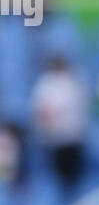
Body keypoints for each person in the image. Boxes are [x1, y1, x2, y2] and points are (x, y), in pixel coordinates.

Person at [30, 56, 89, 195]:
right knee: (56, 173)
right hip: (52, 139)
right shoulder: (45, 83)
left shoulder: (74, 82)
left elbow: (80, 109)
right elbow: (39, 109)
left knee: (73, 173)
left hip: (73, 138)